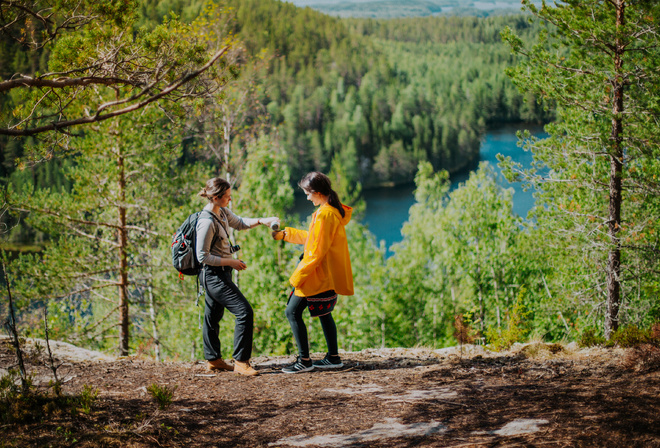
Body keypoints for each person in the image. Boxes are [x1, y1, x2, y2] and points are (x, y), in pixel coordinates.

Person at [272, 172, 354, 373]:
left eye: (308, 194)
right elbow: (314, 238)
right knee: (325, 313)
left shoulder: (325, 214)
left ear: (317, 193)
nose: (307, 198)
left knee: (292, 312)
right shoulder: (331, 211)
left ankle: (304, 361)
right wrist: (285, 234)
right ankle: (333, 357)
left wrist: (297, 276)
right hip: (326, 273)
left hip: (317, 273)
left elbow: (316, 251)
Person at [196, 177, 279, 376]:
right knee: (244, 312)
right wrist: (231, 262)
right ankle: (241, 362)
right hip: (213, 276)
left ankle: (214, 359)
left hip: (221, 273)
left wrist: (262, 221)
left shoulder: (222, 213)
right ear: (215, 197)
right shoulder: (206, 222)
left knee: (212, 316)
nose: (230, 200)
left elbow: (240, 223)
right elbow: (202, 256)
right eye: (227, 197)